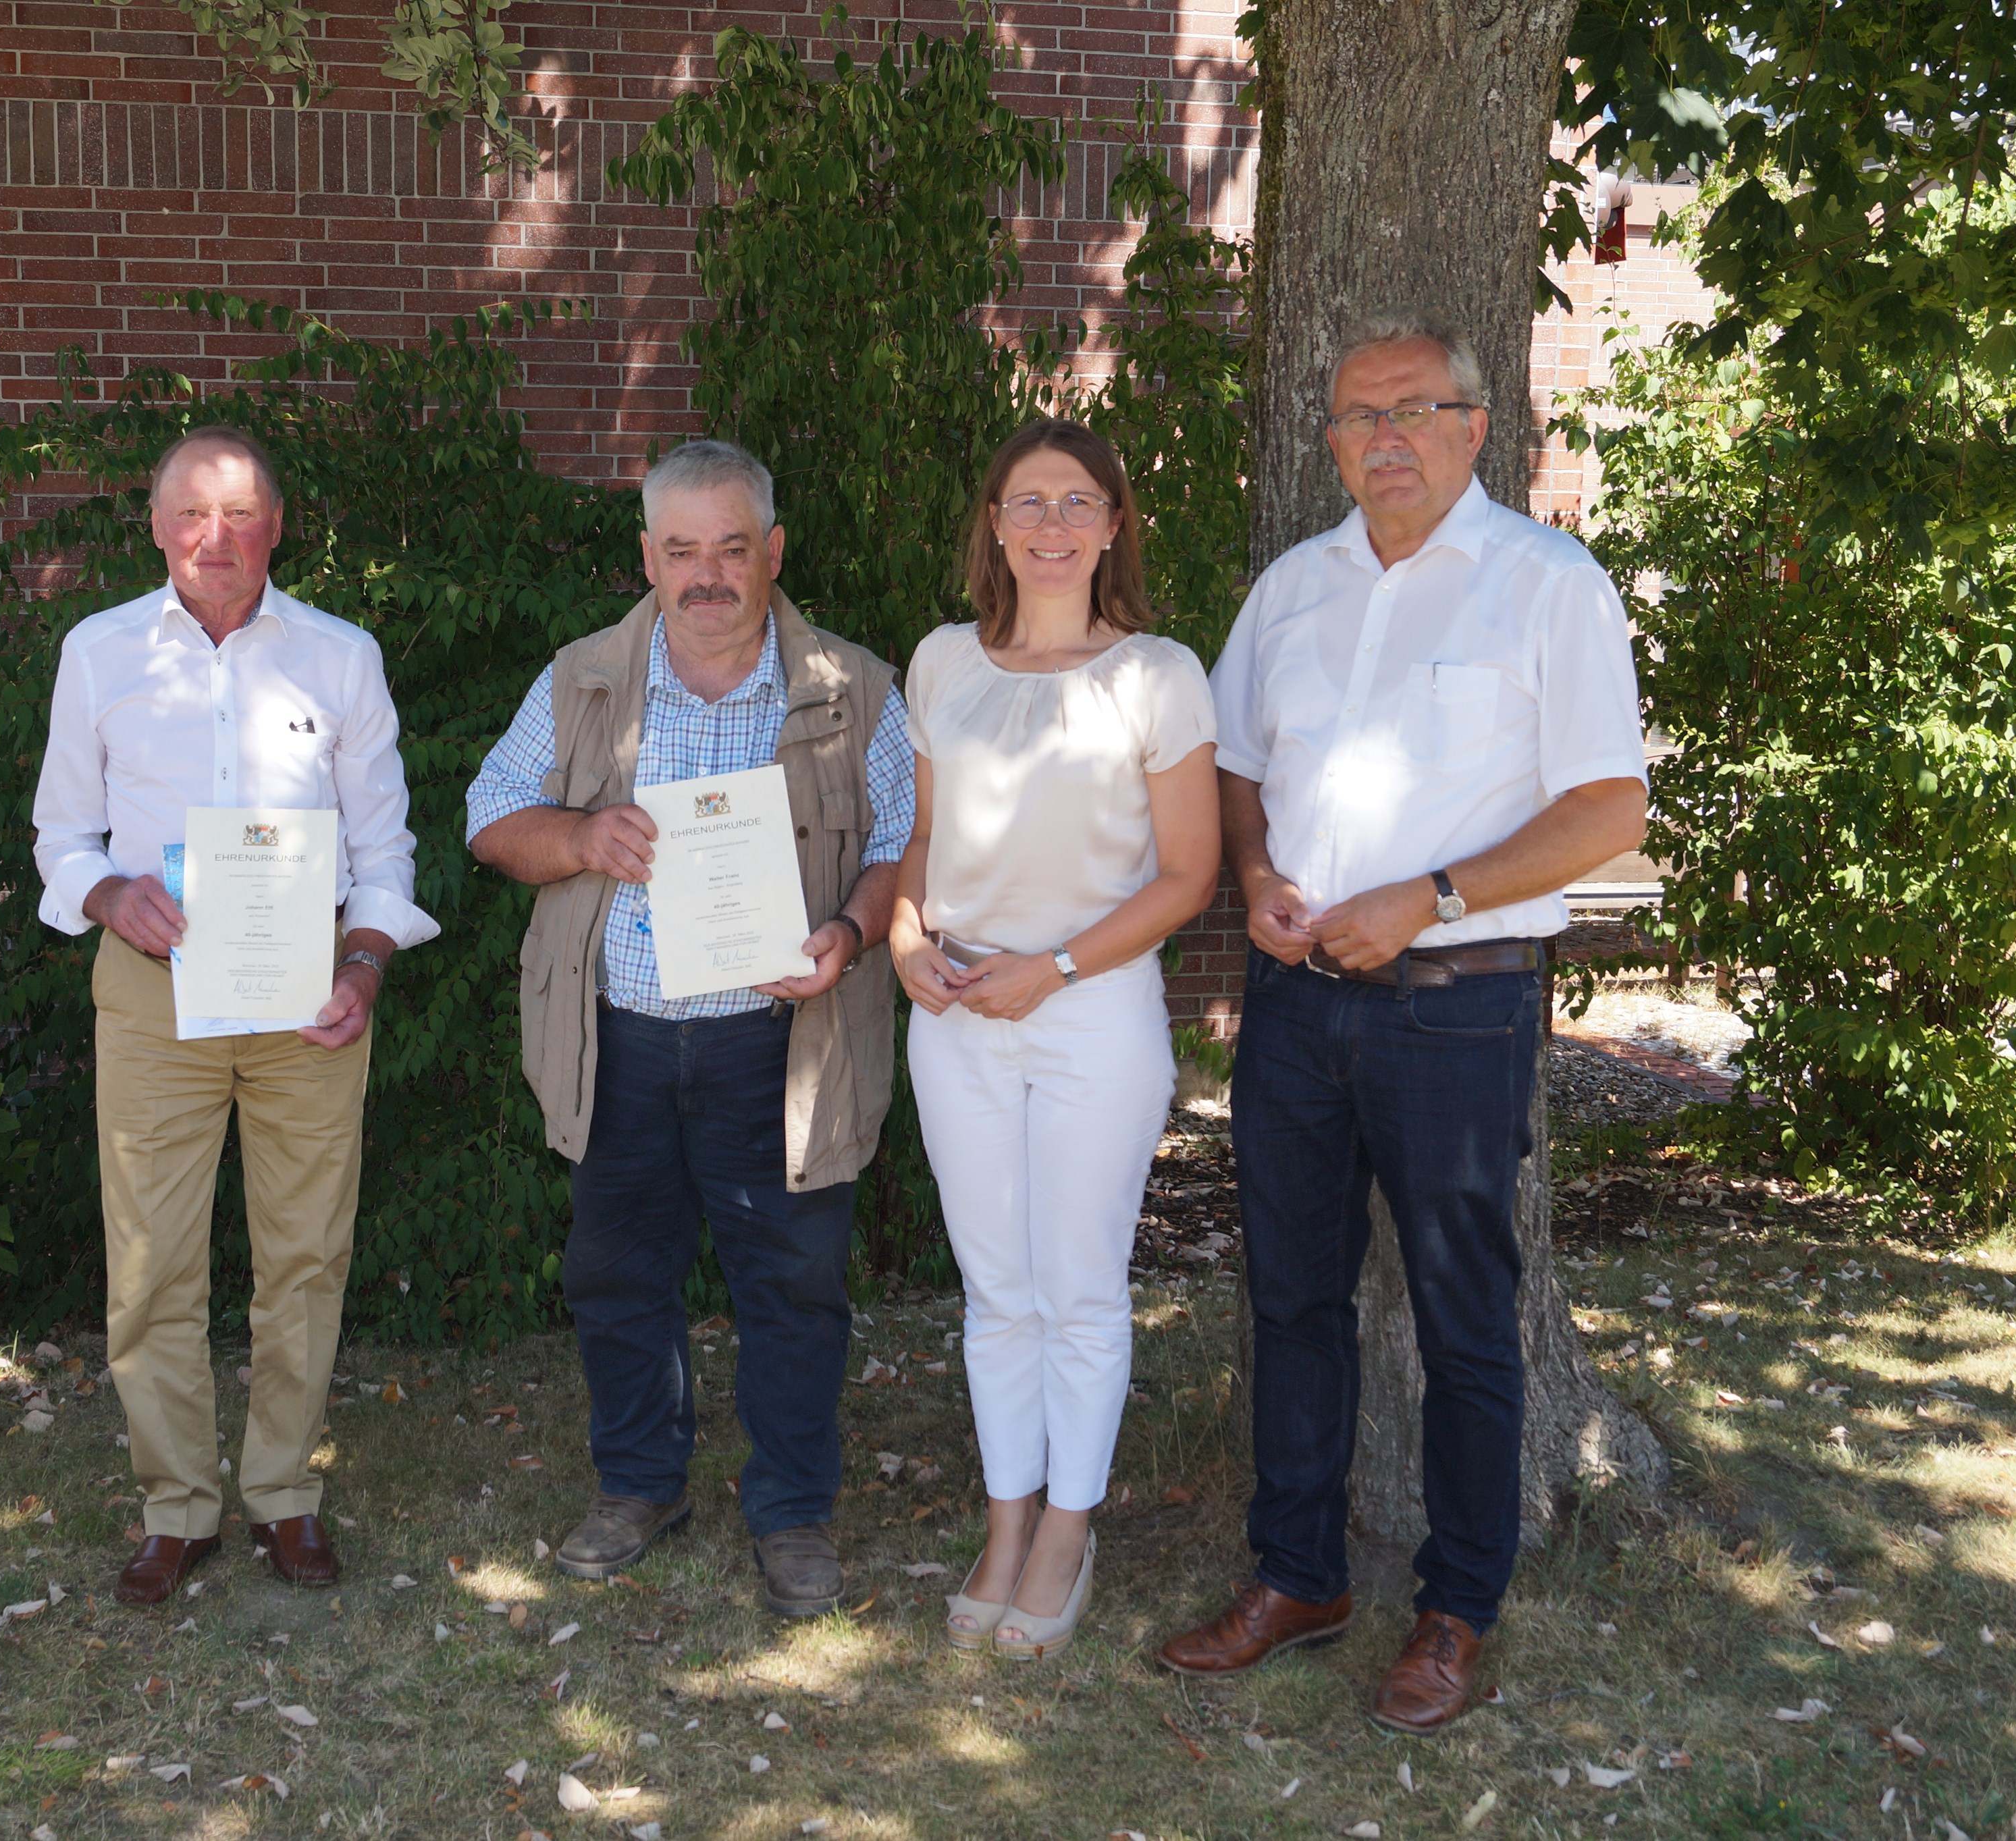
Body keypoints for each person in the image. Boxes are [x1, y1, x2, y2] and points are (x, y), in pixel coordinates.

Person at [1155, 315, 1649, 1732]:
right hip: (1298, 1010)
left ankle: (1452, 1607)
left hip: (1459, 1007)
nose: (1382, 437)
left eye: (1413, 410)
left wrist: (1428, 895)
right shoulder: (1290, 587)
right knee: (1292, 1295)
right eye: (1354, 416)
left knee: (1456, 1313)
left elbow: (1607, 809)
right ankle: (1296, 1574)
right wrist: (1251, 877)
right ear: (1328, 441)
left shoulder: (1546, 585)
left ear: (1474, 425)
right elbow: (1238, 767)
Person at [466, 438, 914, 1618]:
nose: (707, 574)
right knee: (617, 1275)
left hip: (783, 1046)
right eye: (682, 550)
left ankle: (792, 1511)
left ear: (773, 553)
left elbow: (900, 850)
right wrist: (581, 838)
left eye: (731, 548)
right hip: (620, 1038)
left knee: (795, 1284)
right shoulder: (581, 680)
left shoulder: (855, 686)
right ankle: (640, 1483)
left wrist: (854, 938)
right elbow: (489, 818)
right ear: (648, 559)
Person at [30, 425, 438, 1607]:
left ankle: (283, 1494)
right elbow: (61, 835)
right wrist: (107, 893)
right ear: (157, 527)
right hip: (154, 998)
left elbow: (384, 843)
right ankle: (176, 1506)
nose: (219, 538)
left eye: (244, 513)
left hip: (309, 994)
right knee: (150, 1262)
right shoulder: (99, 653)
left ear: (279, 525)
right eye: (193, 514)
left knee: (304, 1253)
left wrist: (365, 965)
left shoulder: (340, 657)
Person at [888, 419, 1220, 1660]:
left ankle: (1068, 1532)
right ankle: (1005, 1519)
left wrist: (1061, 965)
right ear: (993, 523)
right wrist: (909, 939)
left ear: (1114, 524)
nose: (1050, 526)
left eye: (1077, 503)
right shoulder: (938, 663)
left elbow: (1188, 874)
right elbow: (922, 843)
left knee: (1078, 1290)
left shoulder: (1158, 675)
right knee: (996, 1291)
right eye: (1026, 503)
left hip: (1091, 1011)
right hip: (960, 1013)